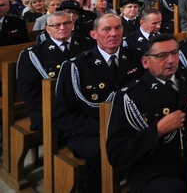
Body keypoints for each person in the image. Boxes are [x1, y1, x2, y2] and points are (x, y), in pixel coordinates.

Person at [107, 34, 187, 192]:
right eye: (161, 56)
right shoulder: (130, 96)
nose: (171, 60)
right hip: (153, 169)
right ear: (145, 62)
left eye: (174, 53)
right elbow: (116, 152)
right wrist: (157, 130)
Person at [53, 13, 144, 193]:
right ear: (94, 34)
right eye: (106, 29)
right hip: (90, 132)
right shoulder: (76, 66)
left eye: (118, 28)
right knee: (99, 151)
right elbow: (63, 115)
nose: (113, 33)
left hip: (129, 125)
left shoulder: (136, 58)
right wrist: (101, 128)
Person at [16, 11, 90, 131]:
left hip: (84, 105)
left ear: (72, 25)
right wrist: (62, 108)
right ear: (48, 29)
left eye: (66, 23)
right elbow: (28, 92)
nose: (62, 28)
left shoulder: (88, 45)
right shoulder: (32, 55)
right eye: (56, 25)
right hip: (49, 109)